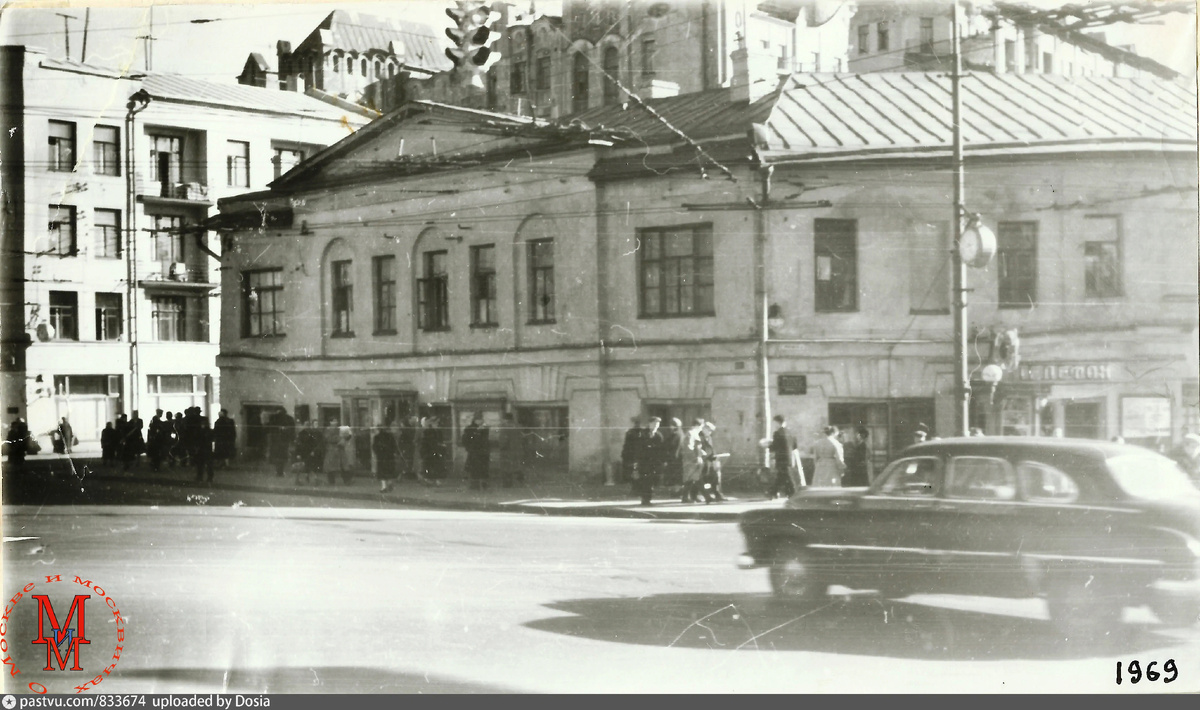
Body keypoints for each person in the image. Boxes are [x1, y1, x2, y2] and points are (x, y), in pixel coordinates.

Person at [766, 415, 801, 499]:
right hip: (789, 458)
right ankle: (776, 492)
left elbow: (774, 447)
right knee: (782, 476)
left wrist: (767, 445)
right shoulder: (791, 432)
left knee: (785, 476)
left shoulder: (777, 433)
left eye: (775, 423)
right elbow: (795, 446)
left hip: (781, 458)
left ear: (777, 423)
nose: (774, 425)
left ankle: (792, 493)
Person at [635, 417, 665, 505]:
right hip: (644, 462)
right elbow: (638, 448)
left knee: (652, 480)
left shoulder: (659, 435)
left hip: (654, 463)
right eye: (654, 423)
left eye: (658, 424)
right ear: (650, 424)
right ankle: (645, 499)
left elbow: (662, 449)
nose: (656, 426)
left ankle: (648, 498)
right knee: (645, 480)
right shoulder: (643, 434)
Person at [681, 419, 712, 504]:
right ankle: (707, 497)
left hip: (693, 460)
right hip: (692, 461)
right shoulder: (690, 434)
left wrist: (701, 452)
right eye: (701, 426)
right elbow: (688, 447)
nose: (701, 429)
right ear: (697, 425)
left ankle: (684, 498)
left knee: (691, 479)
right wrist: (696, 457)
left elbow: (696, 447)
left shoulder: (693, 434)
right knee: (697, 479)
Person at [461, 413, 491, 491]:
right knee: (475, 469)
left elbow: (486, 440)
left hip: (483, 452)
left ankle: (484, 485)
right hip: (474, 452)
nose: (481, 421)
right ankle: (475, 485)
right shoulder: (469, 429)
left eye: (482, 419)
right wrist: (477, 432)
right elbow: (465, 440)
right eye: (480, 419)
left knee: (484, 469)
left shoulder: (484, 428)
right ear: (475, 420)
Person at [698, 420, 726, 502]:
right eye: (709, 430)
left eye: (711, 431)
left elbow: (711, 449)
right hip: (702, 461)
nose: (710, 432)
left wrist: (715, 456)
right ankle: (698, 495)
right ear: (704, 429)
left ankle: (717, 494)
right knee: (700, 479)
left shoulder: (709, 438)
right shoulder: (700, 437)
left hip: (709, 461)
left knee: (714, 477)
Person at [497, 413, 524, 488]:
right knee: (516, 465)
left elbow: (503, 439)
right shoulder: (518, 426)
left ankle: (507, 484)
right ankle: (520, 480)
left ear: (505, 419)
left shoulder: (505, 427)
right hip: (517, 449)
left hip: (507, 450)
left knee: (506, 467)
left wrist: (501, 446)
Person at [293, 419, 324, 484]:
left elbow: (314, 443)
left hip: (309, 452)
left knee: (310, 466)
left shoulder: (311, 434)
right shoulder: (301, 434)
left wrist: (313, 451)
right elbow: (298, 445)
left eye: (308, 425)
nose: (307, 426)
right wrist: (298, 454)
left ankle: (312, 479)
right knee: (301, 467)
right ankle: (298, 480)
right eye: (305, 425)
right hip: (302, 452)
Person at [420, 416, 448, 485]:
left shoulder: (438, 431)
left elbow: (440, 441)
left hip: (436, 452)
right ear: (432, 423)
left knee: (437, 466)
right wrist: (439, 445)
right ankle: (430, 480)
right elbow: (429, 442)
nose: (437, 424)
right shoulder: (428, 431)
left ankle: (435, 480)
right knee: (431, 466)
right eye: (436, 423)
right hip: (430, 452)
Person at [373, 424, 399, 493]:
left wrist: (378, 453)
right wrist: (393, 453)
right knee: (389, 470)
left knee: (381, 472)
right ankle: (390, 483)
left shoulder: (377, 437)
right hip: (389, 456)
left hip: (381, 457)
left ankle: (383, 487)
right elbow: (394, 446)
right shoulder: (390, 436)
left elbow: (375, 447)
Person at [193, 417, 214, 483]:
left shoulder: (200, 431)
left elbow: (197, 439)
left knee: (201, 464)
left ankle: (201, 477)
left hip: (202, 449)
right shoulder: (209, 431)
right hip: (206, 449)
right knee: (206, 464)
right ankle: (208, 477)